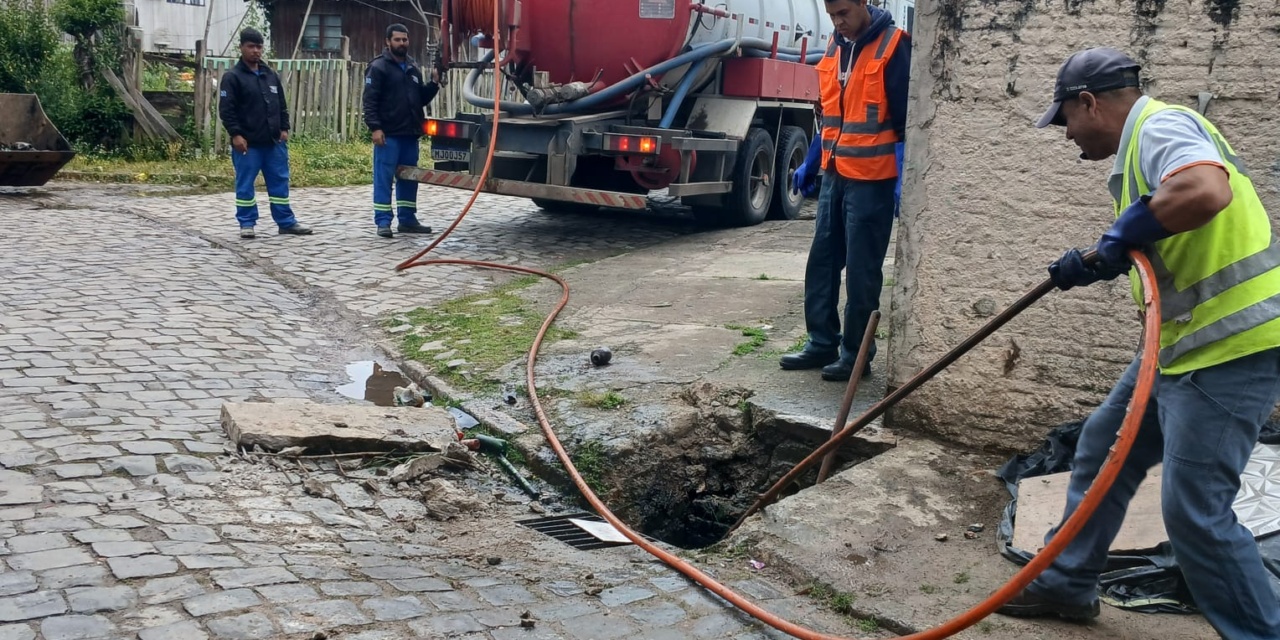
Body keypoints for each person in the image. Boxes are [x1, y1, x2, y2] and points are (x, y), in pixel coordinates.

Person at [996, 47, 1280, 640]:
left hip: (1231, 348)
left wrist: (1122, 232)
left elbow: (1204, 191)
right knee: (1104, 447)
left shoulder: (1161, 126)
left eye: (1065, 120)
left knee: (1195, 513)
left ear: (1089, 103)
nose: (1067, 136)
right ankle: (1067, 581)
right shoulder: (1138, 155)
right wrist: (1105, 257)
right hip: (1179, 346)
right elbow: (1166, 229)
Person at [779, 0, 911, 381]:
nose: (838, 22)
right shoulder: (836, 46)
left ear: (862, 3)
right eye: (832, 14)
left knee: (861, 273)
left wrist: (902, 177)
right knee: (821, 263)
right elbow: (831, 113)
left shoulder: (893, 45)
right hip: (835, 175)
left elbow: (904, 122)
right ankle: (821, 342)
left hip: (873, 181)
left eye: (844, 13)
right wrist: (812, 160)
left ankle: (855, 355)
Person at [218, 28, 312, 239]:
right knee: (245, 185)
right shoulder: (232, 77)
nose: (256, 51)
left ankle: (286, 222)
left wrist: (285, 128)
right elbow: (226, 110)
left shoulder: (269, 75)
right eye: (251, 46)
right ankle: (247, 223)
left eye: (259, 47)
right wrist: (236, 135)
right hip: (247, 144)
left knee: (280, 182)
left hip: (274, 143)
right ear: (241, 47)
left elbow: (281, 104)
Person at [363, 23, 440, 238]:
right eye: (397, 39)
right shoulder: (378, 68)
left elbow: (420, 99)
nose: (402, 43)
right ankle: (383, 221)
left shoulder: (413, 68)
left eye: (405, 39)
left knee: (409, 178)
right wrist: (375, 128)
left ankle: (407, 219)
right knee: (384, 178)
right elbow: (370, 101)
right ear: (388, 42)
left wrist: (434, 83)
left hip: (409, 134)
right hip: (388, 135)